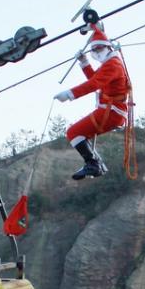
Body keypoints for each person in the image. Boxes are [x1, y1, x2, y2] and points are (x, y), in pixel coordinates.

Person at [54, 23, 131, 180]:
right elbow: (97, 80)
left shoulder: (113, 64)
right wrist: (84, 63)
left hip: (110, 112)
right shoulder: (111, 63)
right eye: (94, 50)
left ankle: (94, 164)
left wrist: (70, 94)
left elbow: (94, 84)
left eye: (98, 49)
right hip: (111, 111)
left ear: (107, 47)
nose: (96, 53)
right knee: (76, 133)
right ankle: (96, 164)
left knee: (73, 132)